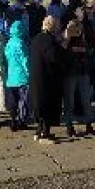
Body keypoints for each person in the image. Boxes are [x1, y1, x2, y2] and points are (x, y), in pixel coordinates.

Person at [30, 16, 63, 144]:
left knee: (40, 106)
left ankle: (39, 131)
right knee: (48, 106)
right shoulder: (48, 40)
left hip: (36, 77)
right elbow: (54, 57)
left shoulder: (36, 38)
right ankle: (45, 133)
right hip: (47, 79)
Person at [61, 18, 95, 137]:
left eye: (78, 27)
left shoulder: (83, 39)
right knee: (69, 101)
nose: (77, 30)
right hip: (70, 73)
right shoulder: (66, 39)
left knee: (85, 99)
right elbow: (62, 50)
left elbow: (88, 52)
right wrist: (68, 36)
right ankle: (69, 125)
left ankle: (88, 123)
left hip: (82, 72)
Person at [4, 20, 30, 132]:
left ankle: (13, 120)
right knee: (23, 101)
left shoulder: (9, 42)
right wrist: (30, 73)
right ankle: (21, 121)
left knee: (13, 102)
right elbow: (25, 61)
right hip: (22, 77)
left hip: (11, 77)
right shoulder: (21, 43)